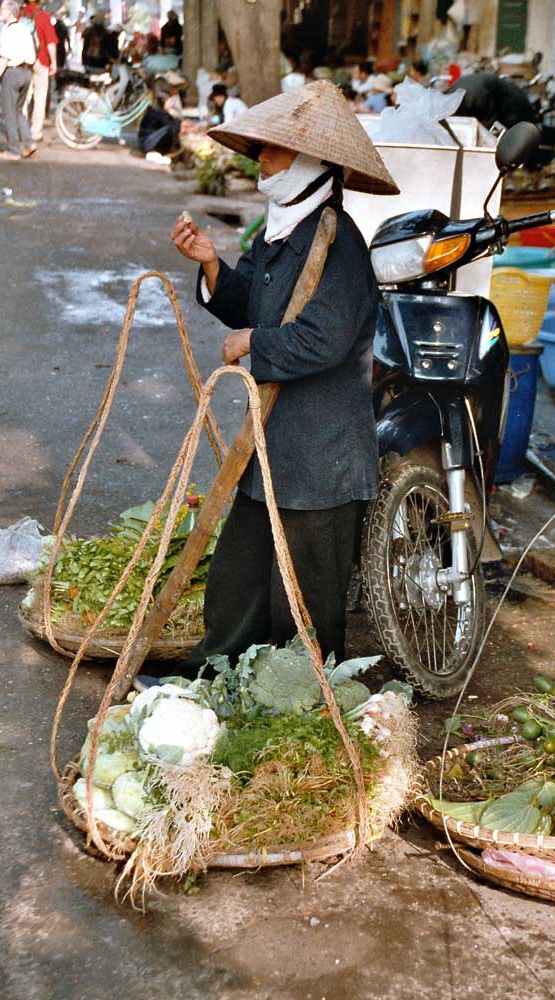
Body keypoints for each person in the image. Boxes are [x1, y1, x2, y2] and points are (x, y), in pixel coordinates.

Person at [157, 80, 399, 686]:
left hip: (321, 457)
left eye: (275, 150)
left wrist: (253, 346)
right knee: (238, 578)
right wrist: (212, 265)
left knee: (304, 609)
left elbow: (321, 339)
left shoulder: (340, 244)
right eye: (260, 149)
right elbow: (256, 309)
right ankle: (211, 683)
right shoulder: (278, 236)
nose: (261, 159)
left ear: (314, 161)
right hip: (268, 441)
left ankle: (302, 702)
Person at [0, 0, 36, 161]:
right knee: (18, 111)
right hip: (26, 72)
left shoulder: (9, 32)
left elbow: (3, 59)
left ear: (9, 13)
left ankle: (13, 150)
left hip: (12, 73)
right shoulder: (24, 29)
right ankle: (28, 143)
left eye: (2, 10)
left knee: (9, 113)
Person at [21, 0, 57, 142]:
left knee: (23, 97)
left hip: (23, 61)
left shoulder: (19, 15)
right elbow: (50, 42)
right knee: (40, 97)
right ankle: (36, 132)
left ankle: (22, 129)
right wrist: (53, 61)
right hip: (41, 61)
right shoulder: (44, 16)